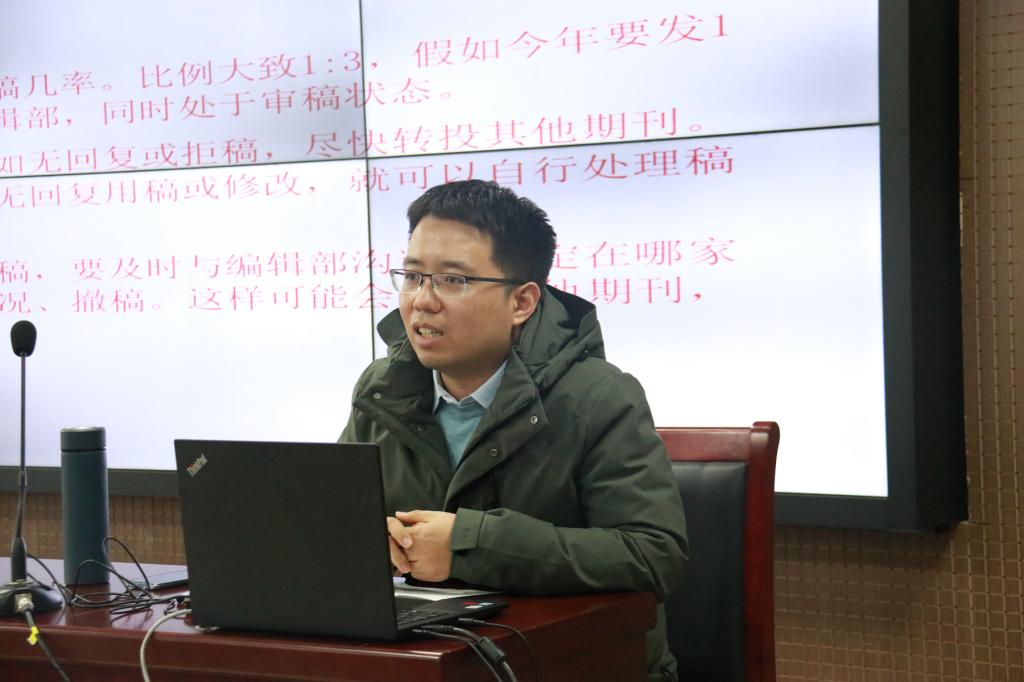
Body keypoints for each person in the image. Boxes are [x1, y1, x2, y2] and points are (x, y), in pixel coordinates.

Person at [340, 179, 687, 681]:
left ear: (522, 302)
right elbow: (339, 525)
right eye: (413, 276)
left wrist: (470, 545)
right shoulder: (382, 389)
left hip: (574, 664)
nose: (421, 301)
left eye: (452, 280)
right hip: (430, 660)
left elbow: (653, 555)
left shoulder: (599, 396)